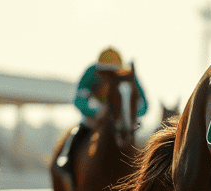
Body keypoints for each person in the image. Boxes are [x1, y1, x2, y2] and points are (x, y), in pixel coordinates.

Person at [55, 47, 148, 179]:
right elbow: (79, 99)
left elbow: (144, 105)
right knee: (75, 134)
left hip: (122, 123)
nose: (109, 76)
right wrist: (96, 110)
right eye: (105, 73)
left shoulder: (127, 76)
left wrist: (129, 114)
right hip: (93, 120)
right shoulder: (91, 73)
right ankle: (66, 160)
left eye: (113, 72)